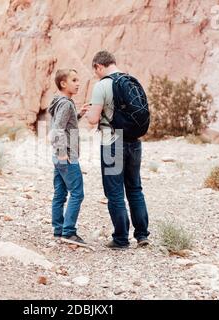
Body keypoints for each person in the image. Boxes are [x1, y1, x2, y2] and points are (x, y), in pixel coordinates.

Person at [86, 51, 150, 249]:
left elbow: (92, 119)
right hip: (134, 141)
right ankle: (142, 235)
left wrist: (88, 110)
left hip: (113, 143)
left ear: (98, 66)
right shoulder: (131, 81)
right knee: (135, 188)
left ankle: (121, 239)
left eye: (95, 70)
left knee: (115, 192)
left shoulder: (102, 85)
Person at [48, 68, 88, 245]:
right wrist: (64, 153)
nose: (78, 83)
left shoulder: (58, 102)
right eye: (74, 80)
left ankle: (58, 229)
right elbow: (57, 130)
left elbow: (65, 125)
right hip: (66, 157)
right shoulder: (65, 103)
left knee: (60, 194)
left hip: (57, 157)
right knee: (77, 193)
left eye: (78, 80)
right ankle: (69, 231)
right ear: (63, 84)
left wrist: (78, 115)